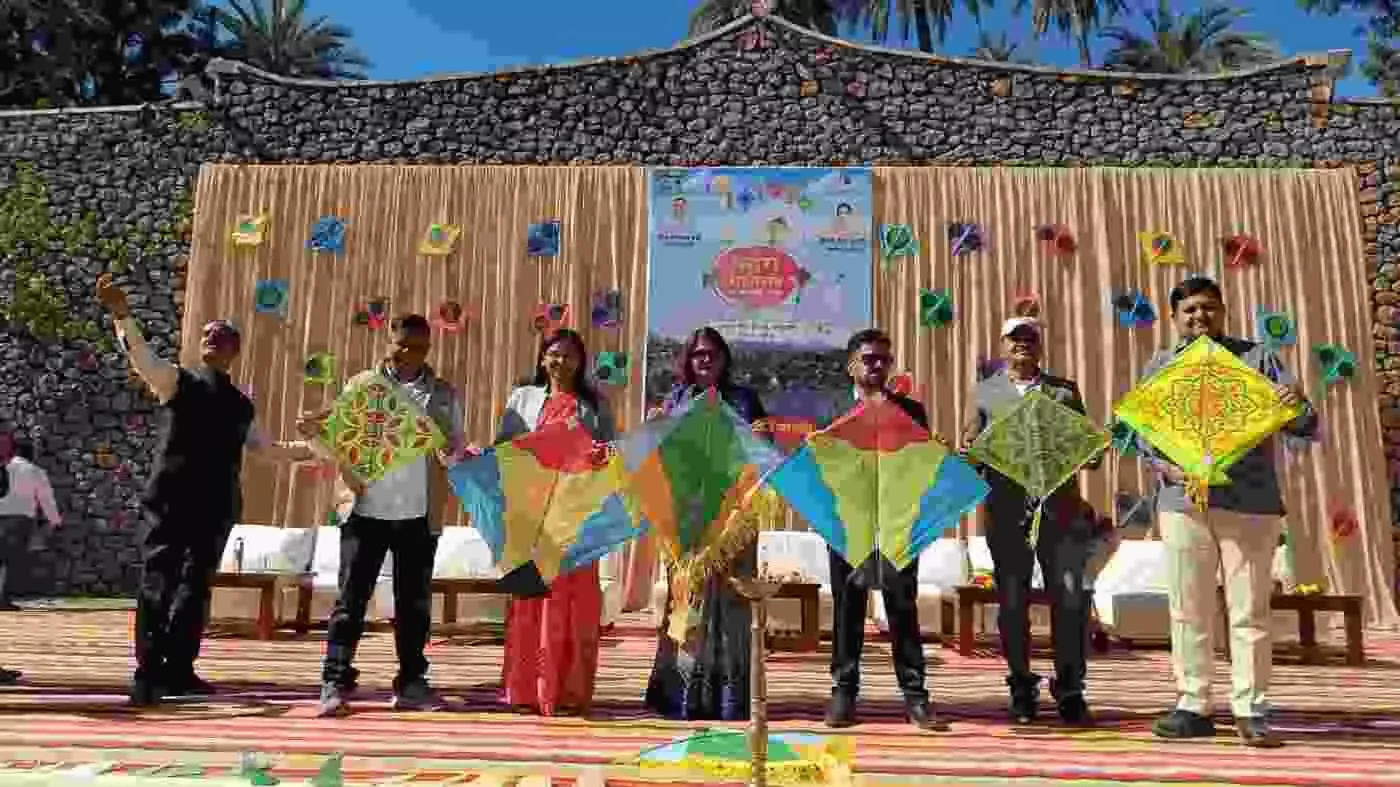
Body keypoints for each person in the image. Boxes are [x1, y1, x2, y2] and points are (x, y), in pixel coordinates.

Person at [96, 274, 320, 706]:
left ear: (235, 351)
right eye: (207, 334)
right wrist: (122, 315)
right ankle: (148, 672)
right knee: (159, 581)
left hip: (215, 505)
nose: (213, 338)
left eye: (223, 336)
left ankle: (180, 669)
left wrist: (317, 448)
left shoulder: (241, 404)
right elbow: (142, 357)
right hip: (171, 500)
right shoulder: (177, 382)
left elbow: (267, 450)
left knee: (195, 587)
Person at [1140, 277, 1316, 748]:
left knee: (1249, 607)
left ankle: (1251, 708)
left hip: (1250, 503)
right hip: (1183, 503)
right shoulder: (1160, 366)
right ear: (1175, 318)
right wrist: (1168, 468)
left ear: (1223, 312)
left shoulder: (1259, 359)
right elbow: (1144, 435)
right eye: (1190, 310)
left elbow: (1303, 424)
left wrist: (1297, 403)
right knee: (1188, 607)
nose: (1200, 316)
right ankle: (1193, 704)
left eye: (1209, 308)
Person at [300, 313, 467, 718]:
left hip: (418, 513)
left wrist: (451, 452)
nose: (409, 353)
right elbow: (336, 441)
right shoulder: (361, 385)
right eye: (402, 344)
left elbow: (456, 446)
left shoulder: (443, 394)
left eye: (419, 347)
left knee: (414, 604)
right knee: (351, 599)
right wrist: (314, 432)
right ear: (389, 342)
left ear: (429, 349)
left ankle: (411, 681)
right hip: (364, 510)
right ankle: (335, 680)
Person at [960, 317, 1099, 726]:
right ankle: (1021, 686)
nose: (1023, 343)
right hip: (1006, 512)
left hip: (1061, 512)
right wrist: (968, 453)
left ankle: (1070, 689)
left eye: (1030, 338)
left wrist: (1093, 450)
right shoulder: (985, 392)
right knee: (1012, 601)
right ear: (1003, 345)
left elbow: (1083, 444)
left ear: (1040, 346)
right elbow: (971, 451)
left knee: (1070, 598)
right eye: (1015, 338)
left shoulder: (1064, 391)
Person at [644, 326, 766, 721]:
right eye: (698, 354)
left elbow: (762, 454)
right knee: (687, 601)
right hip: (686, 518)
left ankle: (728, 699)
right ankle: (680, 697)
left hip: (732, 520)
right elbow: (656, 456)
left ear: (724, 359)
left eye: (712, 353)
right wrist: (652, 429)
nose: (706, 360)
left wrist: (760, 438)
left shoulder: (744, 400)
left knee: (730, 606)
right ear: (688, 359)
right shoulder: (675, 400)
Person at [824, 328, 941, 731]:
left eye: (884, 359)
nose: (877, 366)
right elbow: (819, 467)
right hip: (847, 525)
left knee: (902, 609)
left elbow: (922, 467)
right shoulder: (832, 410)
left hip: (897, 525)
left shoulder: (911, 412)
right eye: (869, 358)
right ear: (851, 365)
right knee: (848, 610)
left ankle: (916, 697)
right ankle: (843, 692)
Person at [496, 329, 616, 717]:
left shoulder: (595, 404)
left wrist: (600, 456)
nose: (560, 362)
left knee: (574, 602)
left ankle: (567, 690)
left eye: (569, 356)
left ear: (581, 362)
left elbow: (613, 454)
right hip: (532, 517)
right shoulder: (522, 398)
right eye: (554, 354)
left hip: (576, 518)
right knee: (530, 600)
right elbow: (503, 450)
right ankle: (526, 690)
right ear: (542, 358)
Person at [0, 432, 62, 611]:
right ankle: (3, 598)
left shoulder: (4, 467)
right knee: (11, 561)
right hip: (20, 520)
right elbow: (46, 499)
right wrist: (55, 521)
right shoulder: (34, 471)